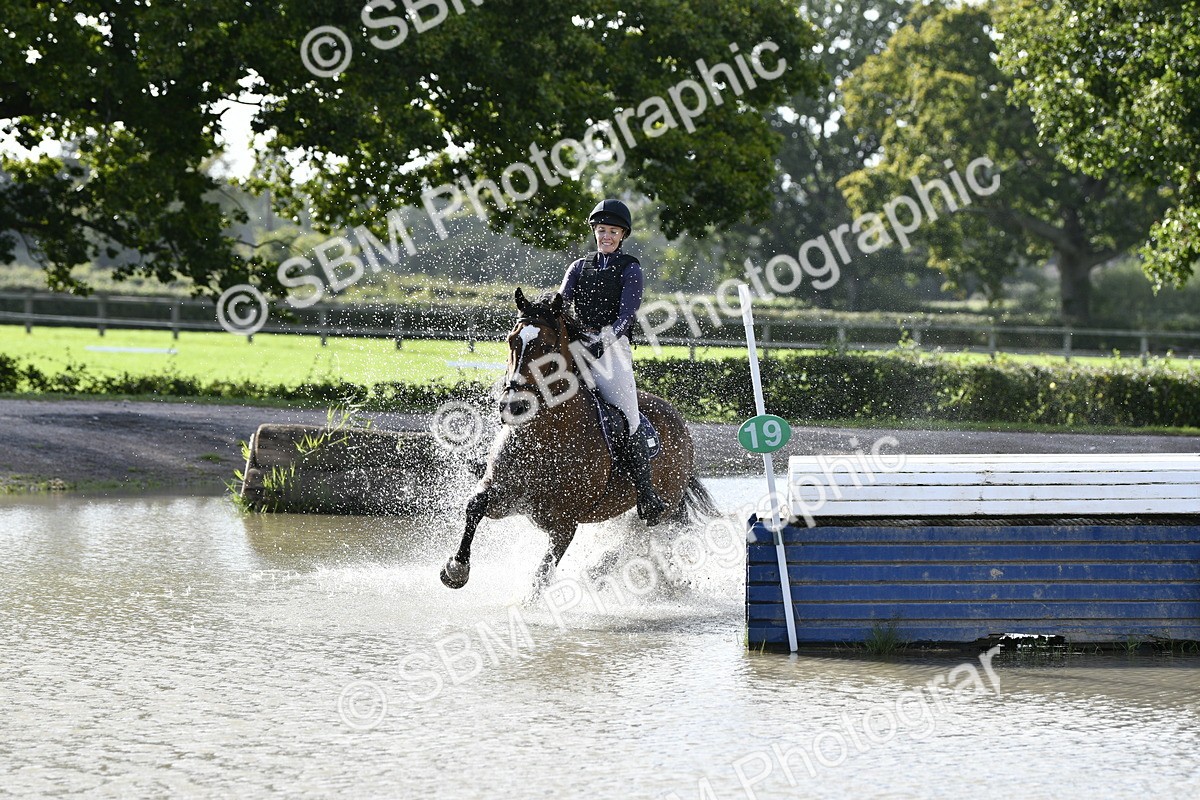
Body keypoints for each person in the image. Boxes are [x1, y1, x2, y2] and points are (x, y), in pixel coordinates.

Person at [559, 199, 667, 525]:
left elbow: (627, 314)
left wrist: (605, 338)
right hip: (578, 347)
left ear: (622, 235)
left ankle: (646, 494)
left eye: (612, 231)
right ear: (595, 231)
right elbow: (562, 302)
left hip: (613, 350)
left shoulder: (630, 268)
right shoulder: (578, 267)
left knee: (629, 416)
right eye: (601, 230)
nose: (606, 236)